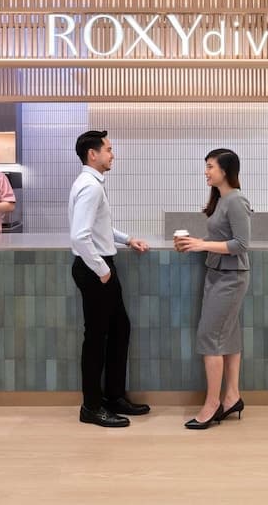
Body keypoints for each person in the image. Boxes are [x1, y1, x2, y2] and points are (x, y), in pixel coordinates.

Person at [68, 130, 151, 427]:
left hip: (99, 267)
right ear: (93, 154)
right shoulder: (90, 187)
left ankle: (114, 397)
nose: (112, 154)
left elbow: (99, 228)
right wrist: (102, 270)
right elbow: (79, 236)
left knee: (119, 329)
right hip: (95, 270)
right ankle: (91, 407)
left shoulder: (91, 184)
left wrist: (127, 239)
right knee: (96, 338)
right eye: (108, 149)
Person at [176, 148, 251, 430]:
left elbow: (241, 244)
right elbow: (222, 237)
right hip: (219, 274)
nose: (206, 172)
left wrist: (202, 244)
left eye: (210, 167)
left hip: (230, 277)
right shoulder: (221, 199)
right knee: (227, 337)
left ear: (225, 170)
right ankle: (231, 397)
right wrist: (196, 243)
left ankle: (212, 404)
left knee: (210, 338)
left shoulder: (236, 200)